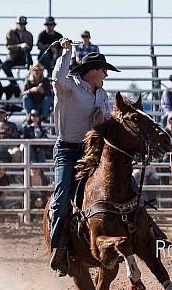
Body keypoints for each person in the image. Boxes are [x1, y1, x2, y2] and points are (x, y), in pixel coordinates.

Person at [49, 38, 121, 276]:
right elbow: (56, 78)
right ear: (92, 73)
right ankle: (58, 247)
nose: (106, 75)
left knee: (122, 182)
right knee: (61, 197)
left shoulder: (102, 94)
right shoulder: (68, 87)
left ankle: (144, 228)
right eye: (104, 71)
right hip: (68, 150)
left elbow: (107, 120)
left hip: (92, 150)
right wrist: (67, 52)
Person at [2, 16, 34, 91]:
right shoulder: (10, 33)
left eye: (23, 24)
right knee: (4, 65)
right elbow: (8, 46)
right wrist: (20, 46)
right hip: (13, 57)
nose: (22, 25)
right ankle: (14, 83)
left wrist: (24, 47)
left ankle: (31, 79)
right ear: (17, 24)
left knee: (27, 52)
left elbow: (30, 47)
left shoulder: (29, 35)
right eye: (20, 24)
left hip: (24, 57)